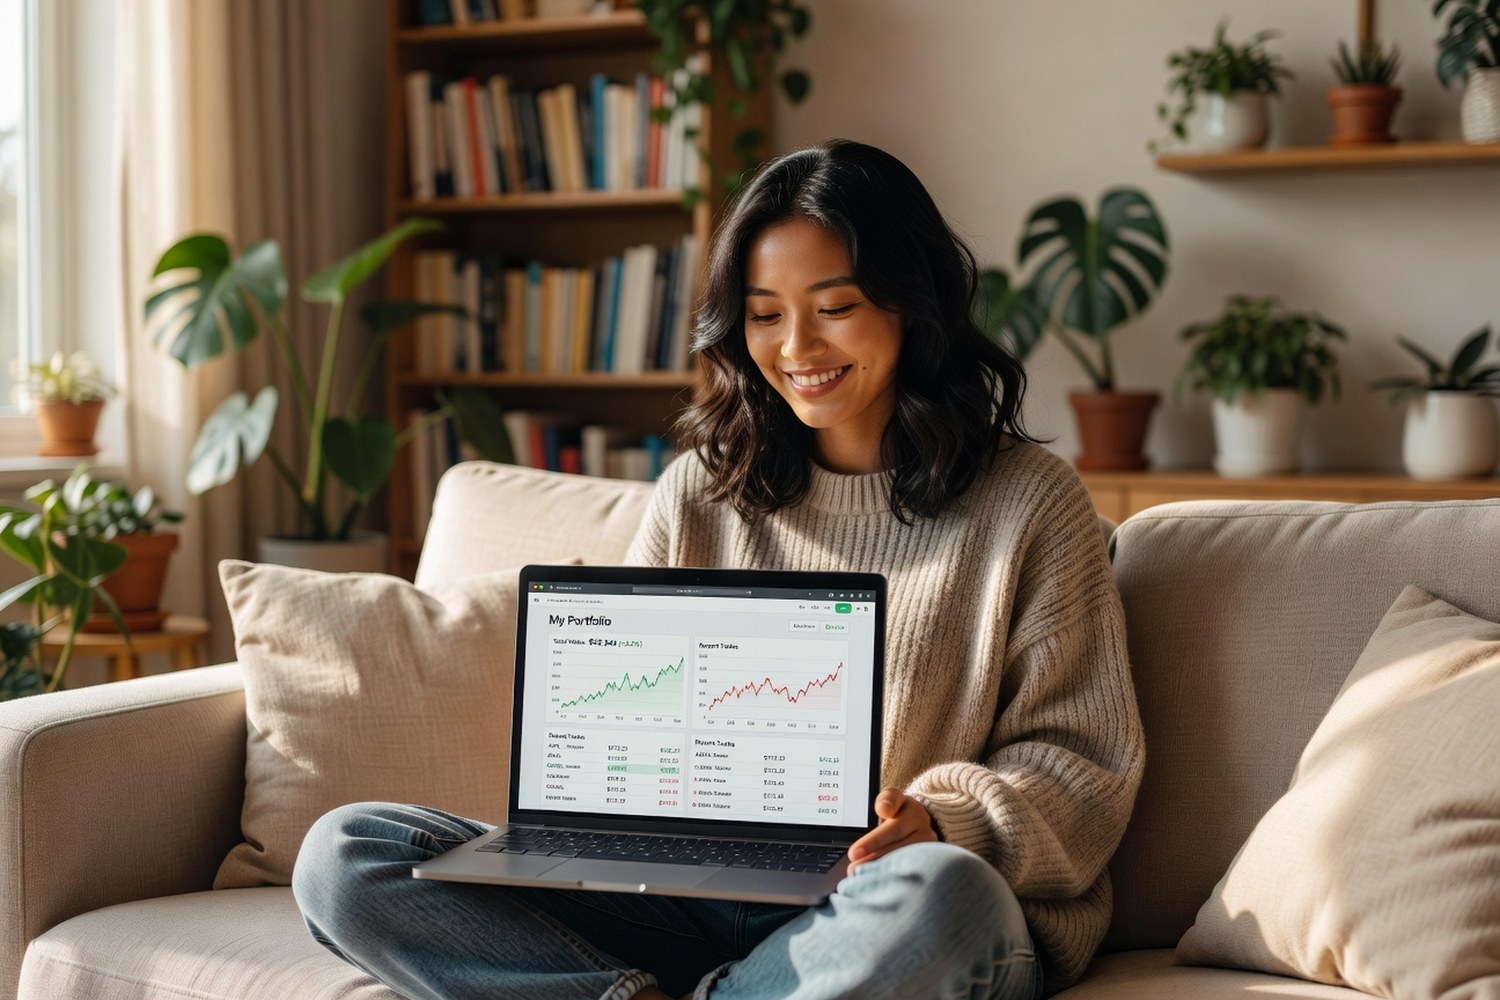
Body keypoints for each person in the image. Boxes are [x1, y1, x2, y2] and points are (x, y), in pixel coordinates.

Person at [293, 138, 1145, 1000]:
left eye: (836, 305)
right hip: (683, 906)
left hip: (880, 900)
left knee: (948, 897)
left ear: (912, 303)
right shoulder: (701, 491)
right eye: (765, 312)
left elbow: (1083, 765)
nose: (797, 345)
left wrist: (941, 822)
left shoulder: (1031, 503)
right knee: (348, 853)